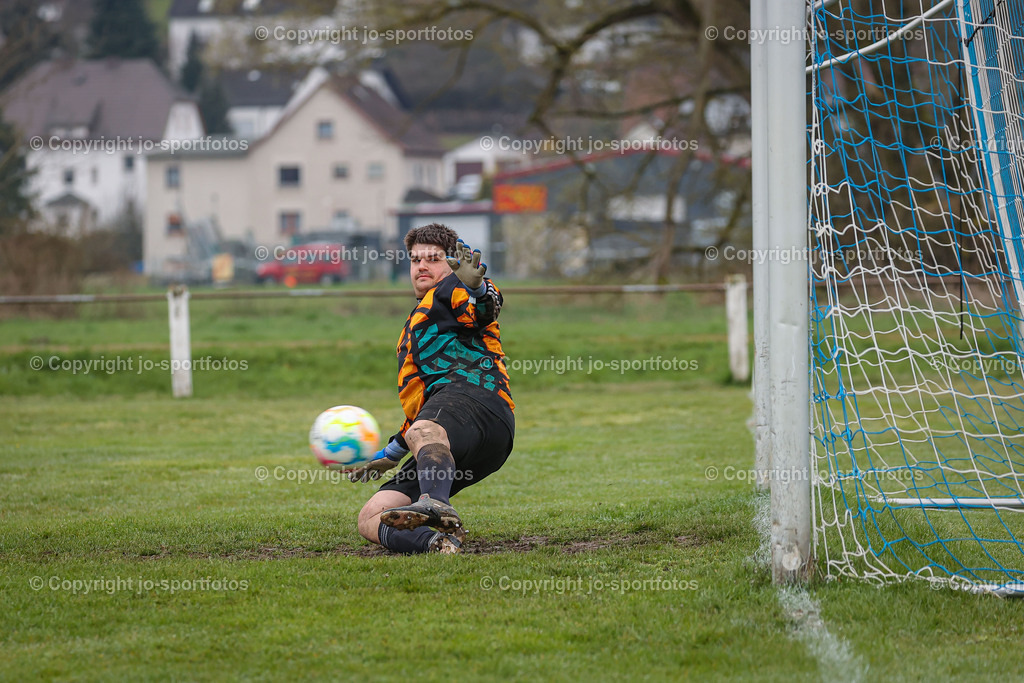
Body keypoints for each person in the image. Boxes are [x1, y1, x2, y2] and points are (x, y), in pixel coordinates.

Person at [349, 223, 515, 554]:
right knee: (372, 518)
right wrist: (392, 454)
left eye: (432, 258)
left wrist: (479, 289)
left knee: (425, 429)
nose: (421, 266)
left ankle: (434, 503)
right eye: (415, 260)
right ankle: (439, 543)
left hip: (479, 404)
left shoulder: (456, 287)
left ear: (451, 262)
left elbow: (486, 310)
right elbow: (424, 409)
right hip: (452, 434)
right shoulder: (415, 321)